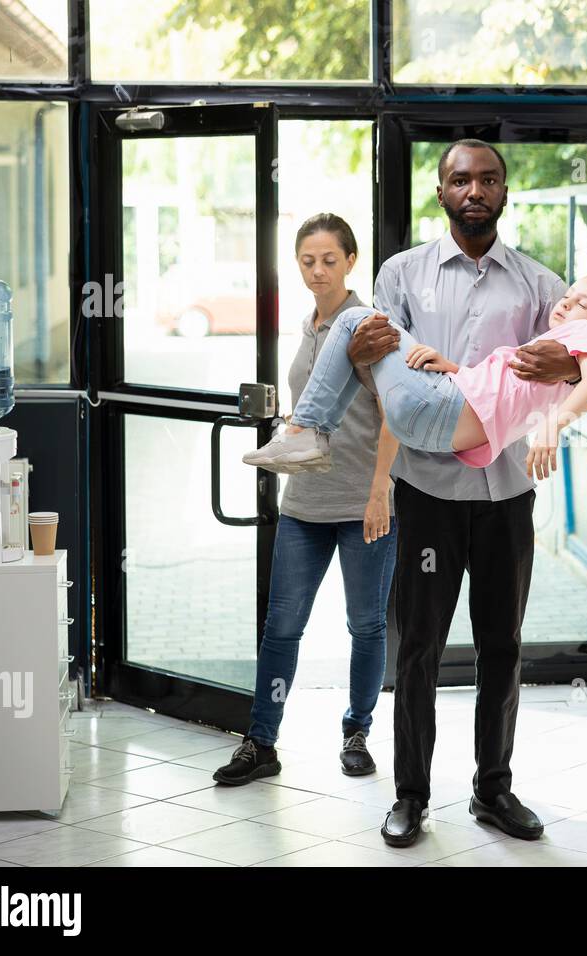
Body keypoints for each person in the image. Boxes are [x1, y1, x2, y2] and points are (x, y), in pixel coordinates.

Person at [349, 139, 587, 848]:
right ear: (441, 190)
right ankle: (411, 798)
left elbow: (582, 354)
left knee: (502, 647)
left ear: (505, 192)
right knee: (419, 646)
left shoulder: (542, 286)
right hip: (426, 490)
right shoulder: (402, 275)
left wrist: (571, 369)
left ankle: (494, 790)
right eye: (461, 179)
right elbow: (381, 374)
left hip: (506, 493)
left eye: (488, 178)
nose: (475, 189)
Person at [213, 213, 400, 786]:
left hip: (362, 500)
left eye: (328, 260)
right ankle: (261, 742)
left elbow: (394, 413)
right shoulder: (309, 325)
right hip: (305, 503)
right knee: (282, 626)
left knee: (365, 626)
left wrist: (379, 491)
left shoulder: (365, 326)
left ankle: (357, 731)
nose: (317, 271)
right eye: (306, 261)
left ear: (351, 261)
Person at [241, 273, 587, 480]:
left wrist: (554, 426)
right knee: (368, 346)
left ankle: (306, 431)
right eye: (566, 296)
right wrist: (453, 367)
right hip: (438, 430)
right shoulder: (555, 355)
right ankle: (311, 434)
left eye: (582, 302)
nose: (567, 305)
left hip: (438, 411)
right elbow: (503, 393)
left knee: (354, 317)